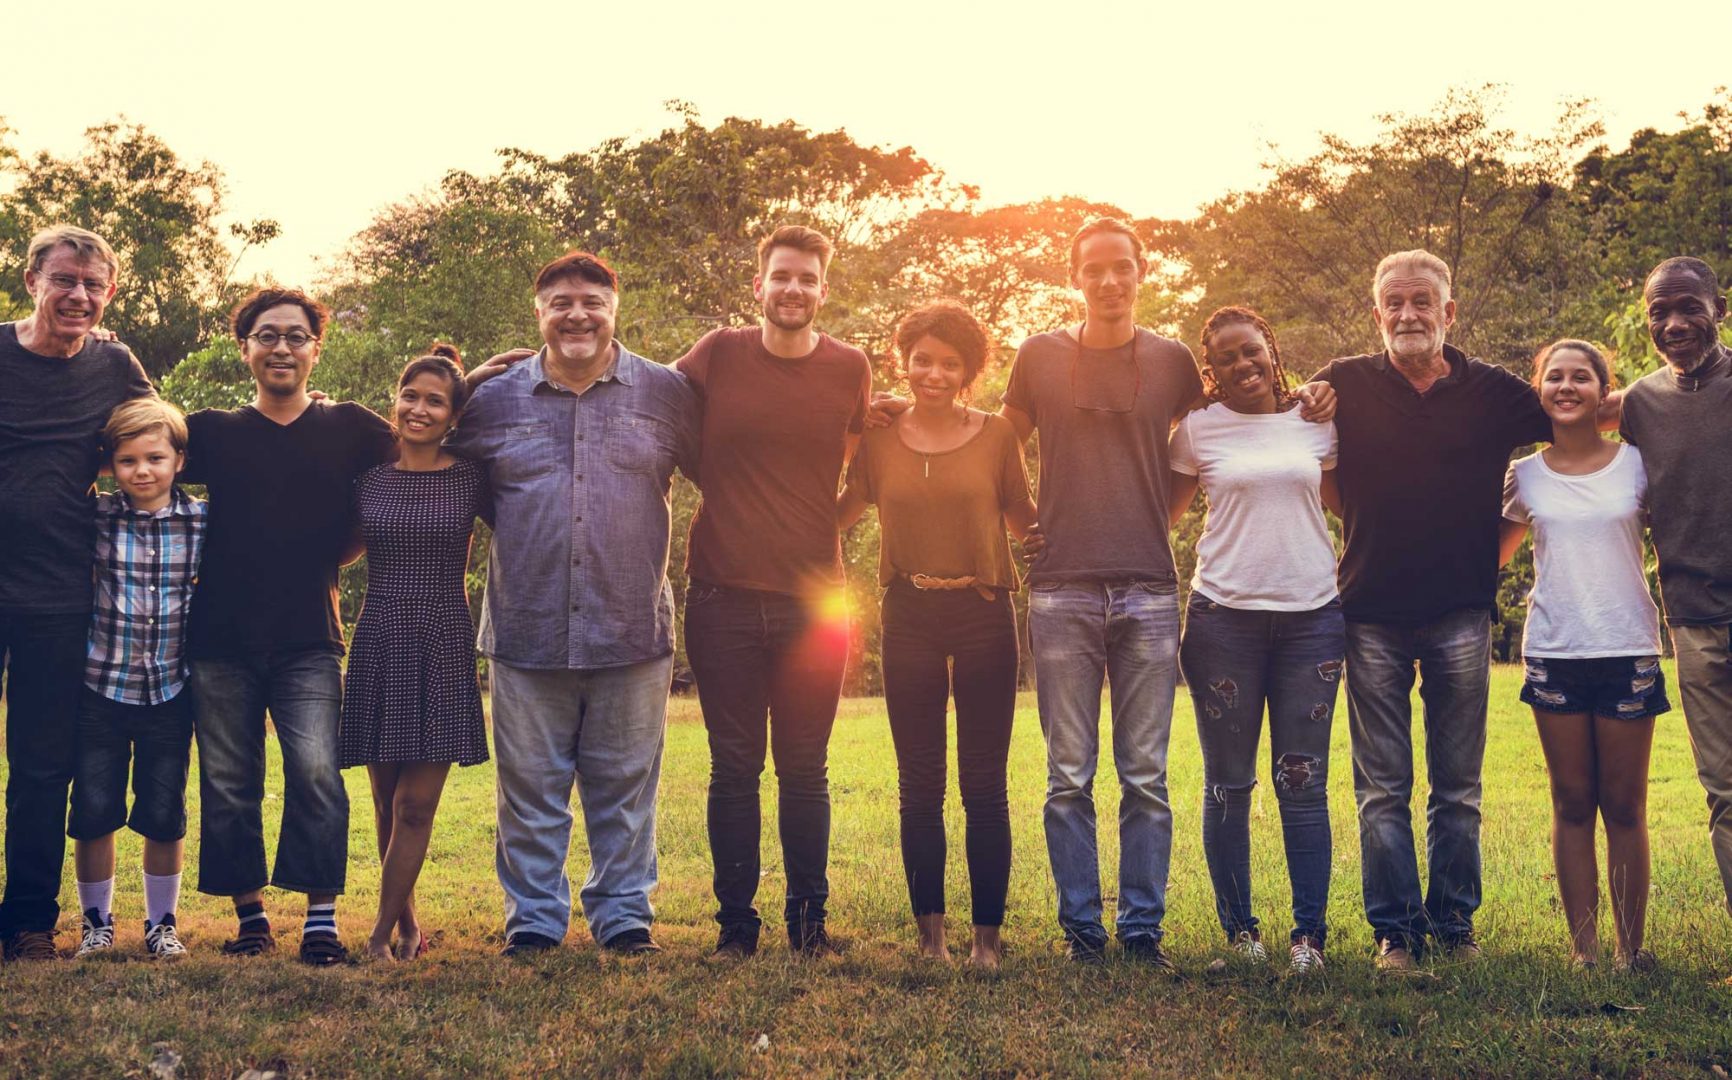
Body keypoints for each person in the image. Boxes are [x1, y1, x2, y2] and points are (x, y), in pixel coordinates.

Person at [1311, 249, 1576, 971]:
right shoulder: (1343, 382)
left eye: (1422, 301)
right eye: (1394, 302)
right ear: (1377, 315)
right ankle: (1395, 931)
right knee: (1382, 786)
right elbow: (1316, 468)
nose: (1408, 315)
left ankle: (1455, 926)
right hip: (1369, 611)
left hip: (1461, 611)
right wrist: (1361, 525)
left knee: (1458, 786)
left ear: (1449, 312)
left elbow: (1574, 417)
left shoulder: (1494, 392)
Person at [450, 252, 699, 958]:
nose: (577, 313)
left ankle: (623, 916)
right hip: (527, 625)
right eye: (560, 301)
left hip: (631, 625)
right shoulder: (493, 402)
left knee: (624, 788)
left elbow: (737, 466)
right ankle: (533, 918)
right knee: (529, 791)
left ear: (615, 308)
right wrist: (460, 383)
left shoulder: (666, 393)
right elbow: (426, 456)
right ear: (539, 314)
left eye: (591, 299)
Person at [677, 225, 873, 960]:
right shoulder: (717, 353)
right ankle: (736, 928)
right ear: (757, 286)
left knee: (804, 765)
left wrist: (825, 519)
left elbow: (859, 459)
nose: (794, 289)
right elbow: (640, 396)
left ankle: (808, 925)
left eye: (808, 280)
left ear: (824, 291)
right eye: (781, 277)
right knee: (733, 765)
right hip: (722, 594)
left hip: (816, 602)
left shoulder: (851, 366)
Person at [183, 288, 396, 966]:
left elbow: (427, 439)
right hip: (218, 636)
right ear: (244, 348)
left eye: (296, 336)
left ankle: (321, 922)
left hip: (310, 633)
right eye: (267, 335)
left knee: (315, 771)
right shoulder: (211, 431)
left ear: (315, 347)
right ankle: (251, 918)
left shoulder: (354, 428)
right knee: (226, 778)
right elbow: (134, 456)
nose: (281, 347)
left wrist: (333, 556)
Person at [837, 301, 1036, 969]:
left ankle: (987, 942)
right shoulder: (878, 437)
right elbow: (838, 514)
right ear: (904, 360)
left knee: (984, 784)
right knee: (919, 783)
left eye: (950, 363)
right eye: (922, 359)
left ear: (970, 372)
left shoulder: (998, 436)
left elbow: (1024, 521)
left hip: (983, 612)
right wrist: (841, 433)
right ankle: (932, 940)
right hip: (909, 612)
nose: (934, 373)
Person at [1169, 307, 1343, 975]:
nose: (1245, 366)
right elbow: (1159, 517)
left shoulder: (1316, 419)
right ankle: (1241, 936)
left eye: (1254, 352)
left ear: (1273, 350)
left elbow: (1352, 507)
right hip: (1223, 623)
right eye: (1228, 359)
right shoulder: (1197, 431)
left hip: (1313, 620)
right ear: (1210, 373)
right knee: (1228, 785)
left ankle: (1309, 941)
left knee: (1303, 783)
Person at [1, 224, 152, 962]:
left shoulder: (114, 364)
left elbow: (162, 436)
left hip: (59, 595)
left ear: (110, 294)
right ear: (31, 280)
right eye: (65, 280)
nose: (79, 296)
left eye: (94, 285)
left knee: (39, 767)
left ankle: (27, 921)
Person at [1499, 339, 1666, 973]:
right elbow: (1490, 553)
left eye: (1581, 378)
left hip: (1627, 647)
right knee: (1572, 802)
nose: (1566, 388)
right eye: (1554, 378)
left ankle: (1631, 950)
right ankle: (1585, 951)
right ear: (1538, 390)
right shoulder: (1524, 474)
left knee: (1624, 804)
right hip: (1554, 650)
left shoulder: (1637, 465)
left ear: (1603, 392)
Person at [340, 344, 491, 961]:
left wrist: (484, 373)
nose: (419, 409)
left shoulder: (471, 477)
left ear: (454, 416)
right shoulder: (367, 481)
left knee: (416, 803)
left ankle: (378, 937)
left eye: (435, 401)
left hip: (442, 641)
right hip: (380, 637)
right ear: (394, 403)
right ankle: (405, 924)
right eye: (411, 396)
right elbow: (341, 550)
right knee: (383, 800)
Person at [1617, 257, 1732, 933]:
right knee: (1723, 789)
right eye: (1659, 312)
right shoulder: (1640, 403)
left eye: (1689, 307)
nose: (1675, 323)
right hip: (1693, 617)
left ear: (1718, 307)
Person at [69, 398, 205, 960]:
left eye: (155, 457)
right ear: (111, 465)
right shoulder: (97, 515)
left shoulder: (202, 521)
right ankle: (96, 923)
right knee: (94, 806)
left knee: (163, 811)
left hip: (171, 688)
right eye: (127, 460)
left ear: (179, 460)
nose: (142, 471)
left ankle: (160, 923)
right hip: (101, 684)